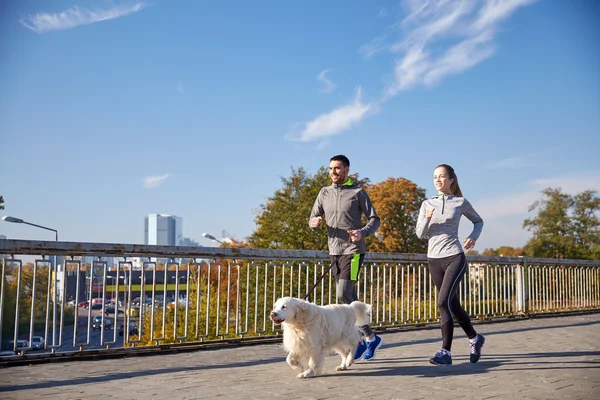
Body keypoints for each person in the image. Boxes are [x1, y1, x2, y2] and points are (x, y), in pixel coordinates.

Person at [309, 154, 383, 361]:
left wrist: (362, 232)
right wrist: (313, 222)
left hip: (353, 251)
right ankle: (364, 339)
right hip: (334, 251)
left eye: (338, 168)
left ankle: (367, 336)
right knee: (351, 298)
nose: (333, 172)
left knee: (343, 294)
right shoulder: (324, 193)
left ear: (347, 170)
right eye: (331, 168)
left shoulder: (358, 192)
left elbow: (375, 219)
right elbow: (313, 216)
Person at [416, 164, 485, 366]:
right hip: (433, 258)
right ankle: (474, 338)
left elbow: (478, 221)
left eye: (442, 176)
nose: (437, 180)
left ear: (451, 179)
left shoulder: (460, 202)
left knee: (442, 302)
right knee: (452, 304)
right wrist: (428, 220)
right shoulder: (426, 204)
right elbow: (420, 234)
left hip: (454, 256)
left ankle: (445, 351)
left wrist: (473, 237)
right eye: (435, 177)